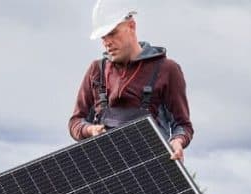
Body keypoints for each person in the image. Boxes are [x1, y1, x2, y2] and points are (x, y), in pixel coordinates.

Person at [69, 1, 193, 160]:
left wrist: (177, 141)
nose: (107, 42)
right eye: (103, 37)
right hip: (103, 173)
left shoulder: (166, 69)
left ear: (131, 26)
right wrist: (90, 130)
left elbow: (183, 125)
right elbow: (75, 122)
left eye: (113, 33)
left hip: (152, 174)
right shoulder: (96, 70)